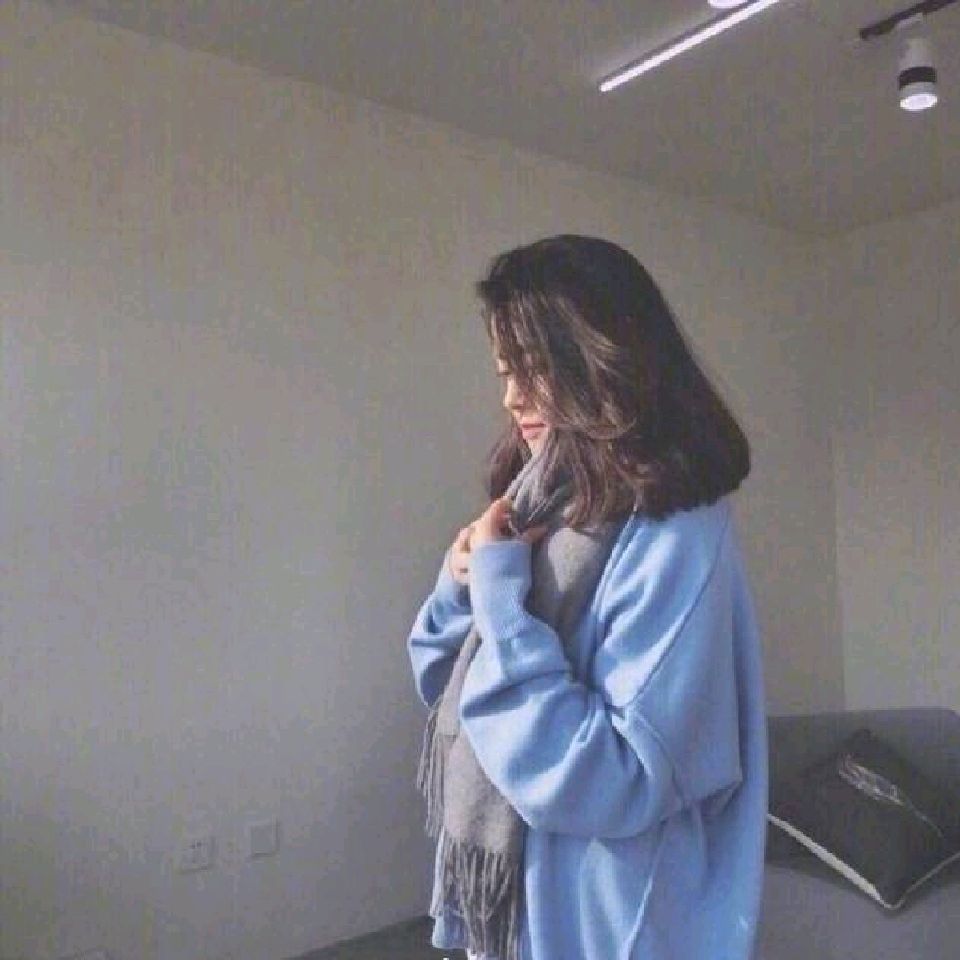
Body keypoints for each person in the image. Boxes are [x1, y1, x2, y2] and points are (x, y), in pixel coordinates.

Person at [407, 235, 768, 960]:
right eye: (506, 372)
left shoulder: (676, 534)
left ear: (602, 356)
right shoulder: (538, 503)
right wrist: (460, 583)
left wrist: (502, 606)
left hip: (612, 929)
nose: (512, 398)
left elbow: (614, 782)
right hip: (517, 918)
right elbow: (441, 682)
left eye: (534, 369)